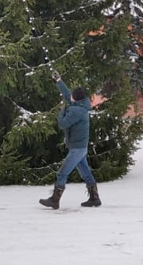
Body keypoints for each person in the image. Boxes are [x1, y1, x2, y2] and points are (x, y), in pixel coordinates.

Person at [39, 71, 101, 210]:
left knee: (62, 173)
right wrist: (59, 81)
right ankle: (94, 198)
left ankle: (55, 200)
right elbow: (68, 95)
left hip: (77, 148)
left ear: (76, 99)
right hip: (80, 146)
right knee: (85, 172)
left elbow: (63, 123)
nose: (69, 97)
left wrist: (61, 112)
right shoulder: (81, 105)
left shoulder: (76, 111)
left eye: (72, 96)